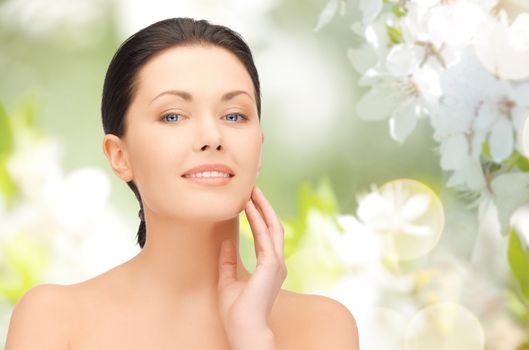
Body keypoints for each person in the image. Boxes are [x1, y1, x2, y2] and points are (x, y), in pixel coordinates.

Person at [4, 17, 359, 349]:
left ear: (259, 149)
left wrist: (252, 337)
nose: (212, 137)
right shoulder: (53, 319)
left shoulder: (322, 327)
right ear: (119, 156)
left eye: (234, 115)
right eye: (173, 116)